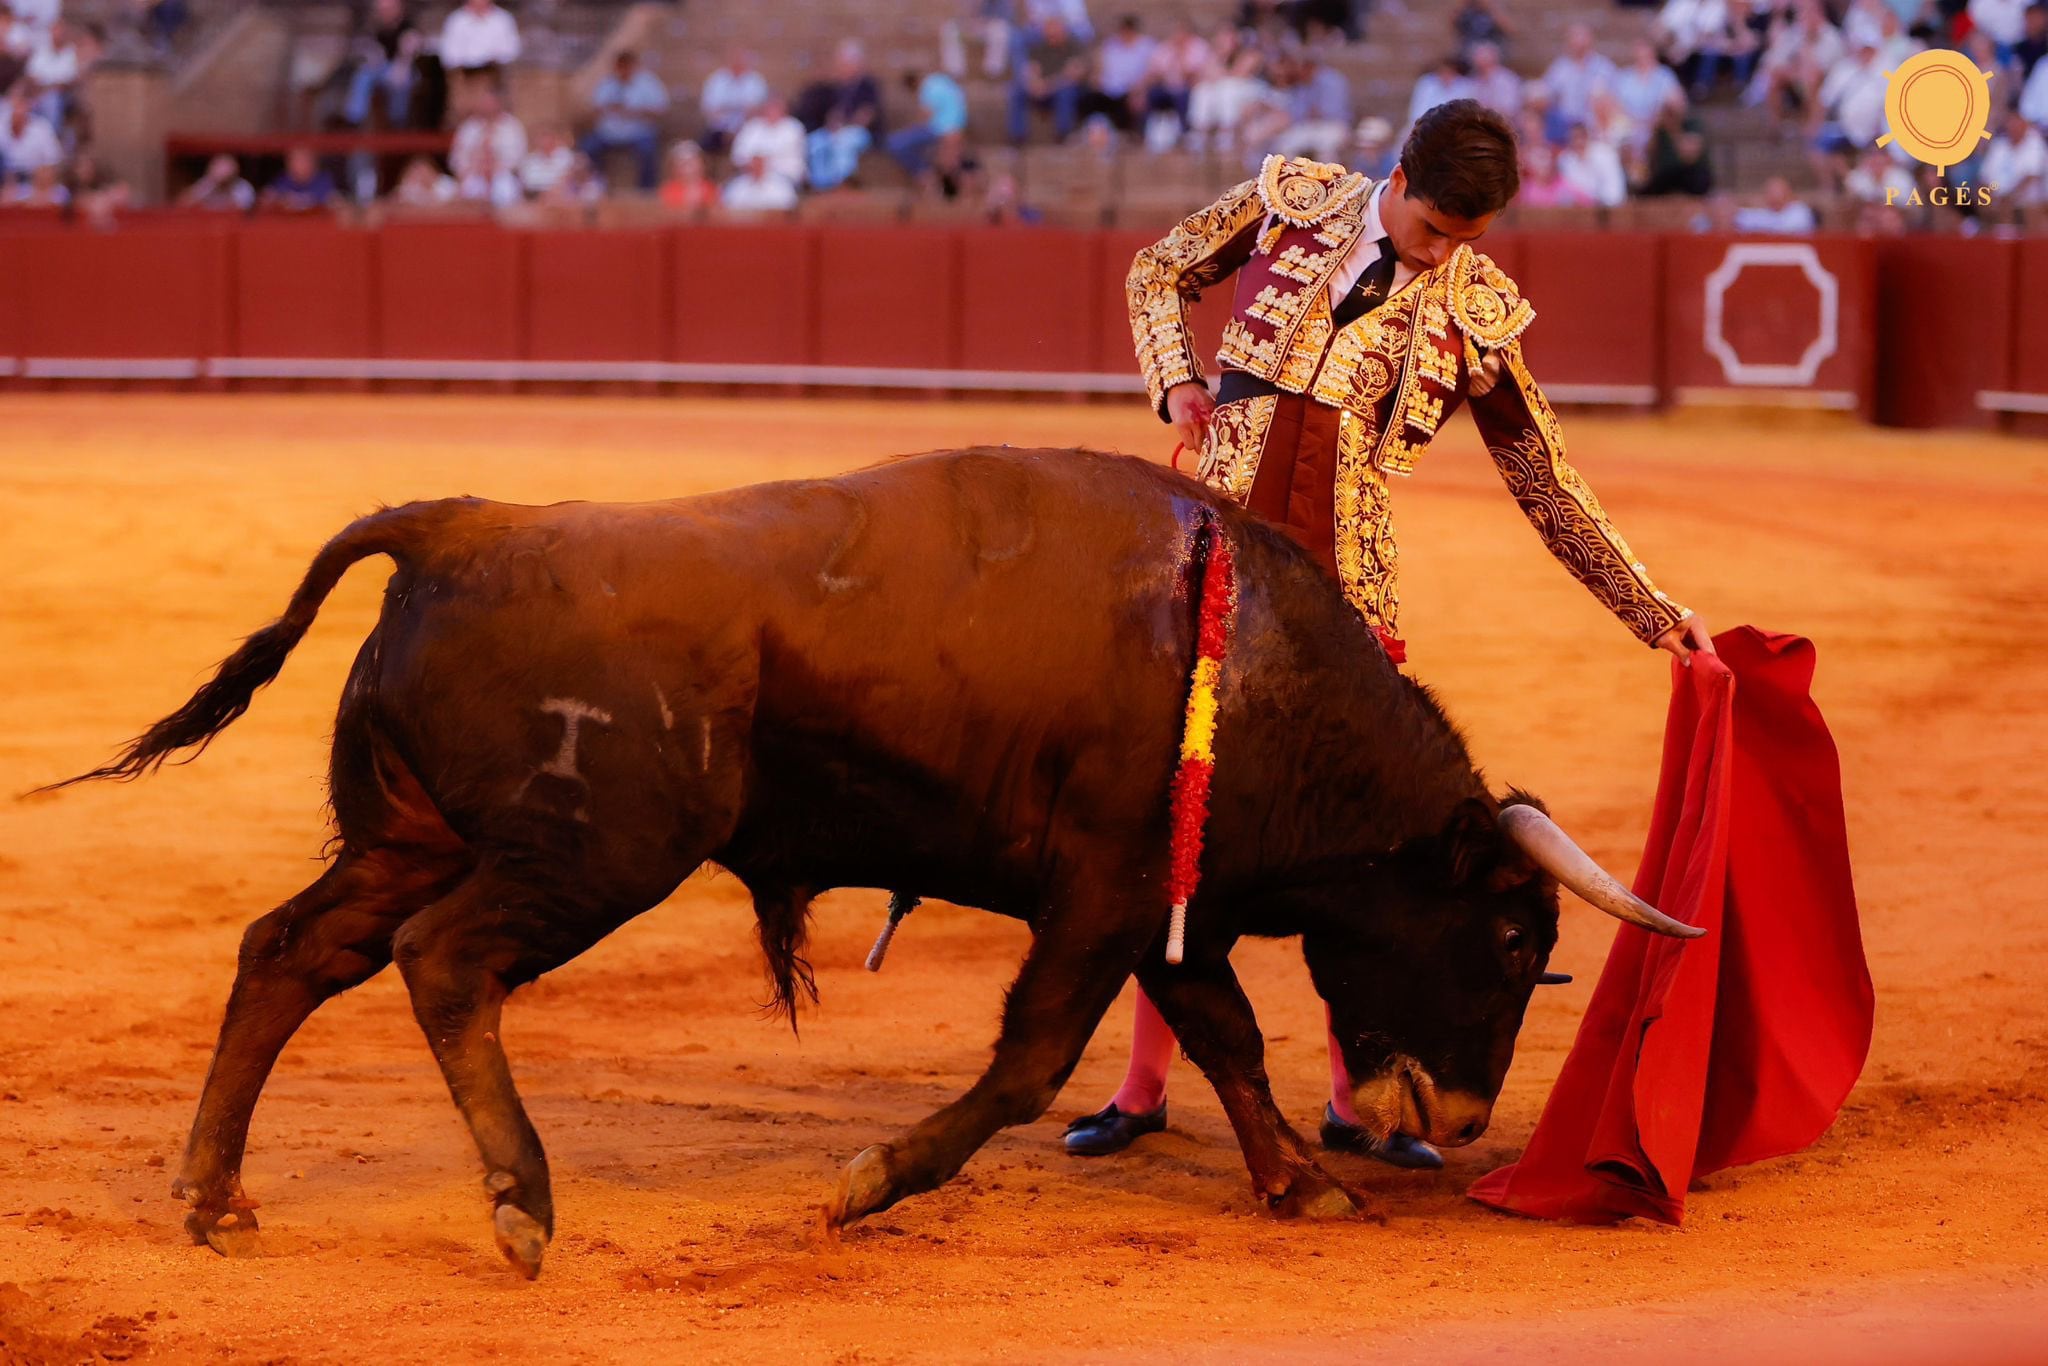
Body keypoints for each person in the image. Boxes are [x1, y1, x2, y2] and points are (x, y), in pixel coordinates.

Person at [1083, 100, 1712, 1164]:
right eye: (1433, 232)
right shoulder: (1293, 201)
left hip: (1342, 601)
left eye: (1468, 240)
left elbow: (1542, 476)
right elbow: (1157, 269)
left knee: (1356, 853)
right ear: (1400, 181)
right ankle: (1140, 1087)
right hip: (1210, 562)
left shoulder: (1475, 305)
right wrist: (1176, 382)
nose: (1444, 257)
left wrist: (1654, 616)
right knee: (1180, 827)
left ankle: (1348, 1098)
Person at [580, 49, 669, 190]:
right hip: (609, 133)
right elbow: (592, 110)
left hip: (638, 132)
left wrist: (634, 111)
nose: (623, 71)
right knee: (588, 147)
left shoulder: (648, 83)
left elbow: (660, 110)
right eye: (620, 67)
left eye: (626, 67)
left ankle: (646, 189)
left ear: (634, 66)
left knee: (648, 149)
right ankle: (597, 185)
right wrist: (608, 108)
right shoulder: (607, 84)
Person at [1009, 13, 1089, 142]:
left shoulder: (1075, 46)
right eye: (1048, 34)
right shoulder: (1040, 47)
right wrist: (1034, 84)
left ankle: (1063, 135)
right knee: (1017, 91)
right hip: (1043, 89)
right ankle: (1017, 136)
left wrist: (1048, 86)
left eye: (1055, 33)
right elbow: (1030, 70)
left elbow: (1073, 75)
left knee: (1066, 92)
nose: (1051, 37)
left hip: (1065, 90)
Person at [343, 0, 421, 128]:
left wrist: (401, 65)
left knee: (401, 81)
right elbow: (364, 49)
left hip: (405, 69)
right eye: (382, 10)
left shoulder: (408, 27)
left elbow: (410, 56)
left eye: (388, 9)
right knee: (363, 75)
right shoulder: (375, 27)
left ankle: (398, 122)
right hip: (381, 68)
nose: (385, 13)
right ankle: (354, 119)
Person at [887, 68, 968, 175]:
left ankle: (923, 173)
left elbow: (926, 115)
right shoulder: (940, 80)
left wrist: (912, 127)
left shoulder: (927, 87)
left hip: (942, 129)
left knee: (895, 143)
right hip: (956, 126)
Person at [438, 0, 519, 102]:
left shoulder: (503, 19)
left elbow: (511, 50)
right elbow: (448, 55)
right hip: (465, 75)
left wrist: (493, 58)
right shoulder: (456, 20)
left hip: (494, 73)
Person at [729, 95, 806, 188]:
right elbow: (738, 154)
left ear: (784, 109)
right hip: (751, 175)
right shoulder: (752, 126)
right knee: (734, 190)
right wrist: (753, 165)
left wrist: (761, 162)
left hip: (784, 175)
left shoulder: (793, 127)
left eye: (776, 107)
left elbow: (788, 156)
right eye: (769, 107)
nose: (772, 111)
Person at [699, 48, 766, 154]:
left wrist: (729, 111)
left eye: (741, 59)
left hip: (746, 128)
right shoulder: (717, 79)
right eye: (735, 58)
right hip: (720, 129)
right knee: (705, 144)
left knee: (756, 141)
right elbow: (710, 109)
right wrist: (727, 128)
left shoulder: (755, 80)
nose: (737, 62)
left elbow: (757, 110)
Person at [260, 146, 337, 212]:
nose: (298, 165)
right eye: (294, 161)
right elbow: (269, 197)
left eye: (303, 160)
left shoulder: (323, 180)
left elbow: (332, 200)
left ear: (313, 163)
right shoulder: (284, 180)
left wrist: (299, 201)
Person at [658, 139, 719, 216]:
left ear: (703, 164)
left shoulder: (711, 188)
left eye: (692, 162)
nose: (689, 168)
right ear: (673, 167)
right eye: (683, 163)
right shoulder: (668, 190)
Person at [720, 152, 797, 212]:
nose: (757, 166)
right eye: (754, 163)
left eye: (760, 163)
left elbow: (789, 210)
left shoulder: (782, 186)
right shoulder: (736, 186)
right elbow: (728, 209)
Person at [178, 152, 255, 211]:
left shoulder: (243, 187)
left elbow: (246, 212)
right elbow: (184, 203)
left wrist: (227, 191)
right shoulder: (207, 183)